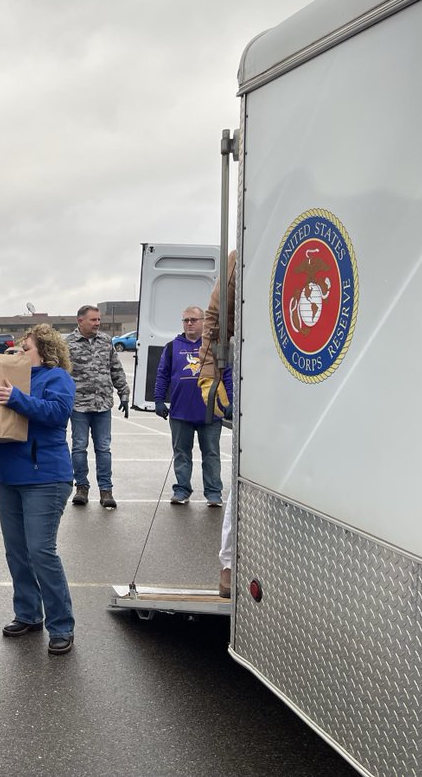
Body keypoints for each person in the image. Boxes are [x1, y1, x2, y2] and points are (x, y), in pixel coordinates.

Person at [0, 325, 77, 654]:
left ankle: (61, 624)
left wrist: (16, 397)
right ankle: (28, 613)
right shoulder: (12, 375)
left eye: (24, 347)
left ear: (43, 350)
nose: (18, 351)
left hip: (45, 478)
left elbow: (56, 414)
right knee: (17, 551)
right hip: (9, 475)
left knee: (41, 551)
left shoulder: (57, 378)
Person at [154, 306, 228, 506]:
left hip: (210, 413)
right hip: (180, 412)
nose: (189, 324)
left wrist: (229, 402)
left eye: (193, 320)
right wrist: (159, 400)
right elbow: (162, 375)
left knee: (211, 454)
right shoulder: (172, 347)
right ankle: (182, 490)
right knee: (181, 453)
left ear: (203, 322)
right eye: (186, 320)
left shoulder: (214, 346)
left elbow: (226, 374)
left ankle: (213, 493)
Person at [65, 305, 130, 509]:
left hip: (102, 405)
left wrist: (124, 393)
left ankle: (106, 490)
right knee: (79, 447)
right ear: (80, 321)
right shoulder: (68, 344)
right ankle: (81, 488)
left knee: (103, 449)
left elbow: (115, 368)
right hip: (79, 406)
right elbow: (60, 374)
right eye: (93, 320)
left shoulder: (105, 341)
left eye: (98, 320)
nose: (97, 323)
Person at [199, 250, 237, 597]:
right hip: (255, 374)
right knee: (244, 481)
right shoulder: (241, 254)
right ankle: (228, 566)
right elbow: (214, 319)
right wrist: (209, 376)